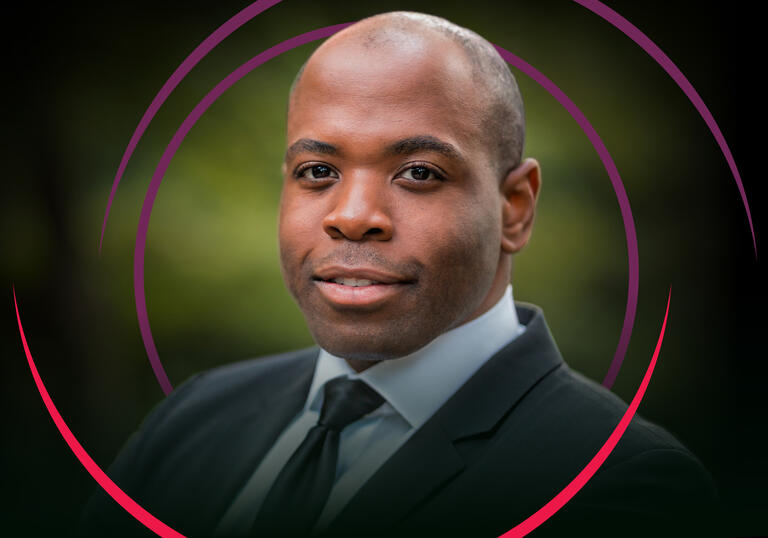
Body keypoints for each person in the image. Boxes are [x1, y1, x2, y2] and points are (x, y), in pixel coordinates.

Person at [80, 11, 717, 538]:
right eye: (317, 173)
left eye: (419, 173)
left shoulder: (621, 483)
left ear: (514, 207)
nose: (353, 217)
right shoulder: (193, 419)